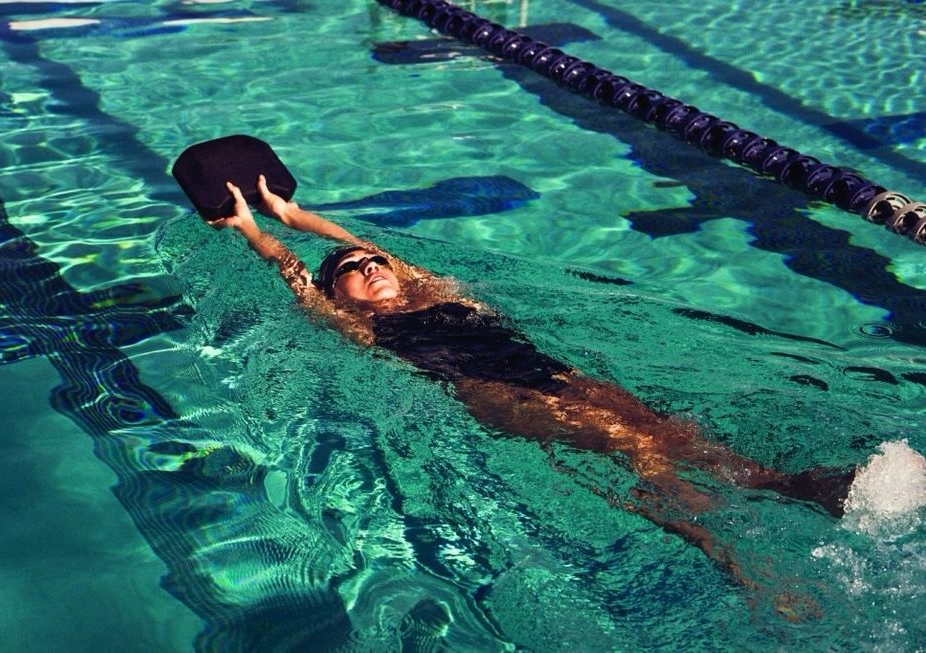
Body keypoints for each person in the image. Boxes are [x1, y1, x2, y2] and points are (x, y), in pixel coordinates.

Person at [208, 175, 855, 585]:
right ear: (336, 292)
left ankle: (789, 488)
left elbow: (357, 237)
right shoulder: (359, 325)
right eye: (353, 266)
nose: (370, 264)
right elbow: (293, 271)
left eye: (377, 259)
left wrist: (293, 210)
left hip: (549, 371)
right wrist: (255, 229)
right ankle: (732, 554)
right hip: (494, 392)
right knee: (638, 450)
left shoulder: (431, 289)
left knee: (666, 430)